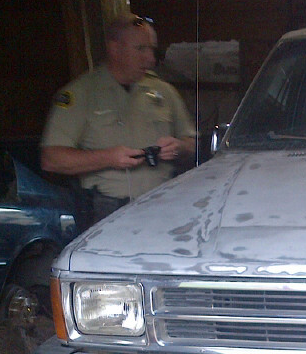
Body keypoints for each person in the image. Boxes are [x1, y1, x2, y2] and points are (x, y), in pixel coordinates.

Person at [40, 14, 198, 225]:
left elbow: (192, 144)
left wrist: (179, 147)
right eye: (141, 49)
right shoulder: (81, 94)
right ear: (114, 48)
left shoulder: (164, 92)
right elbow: (52, 159)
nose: (150, 59)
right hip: (107, 212)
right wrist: (107, 158)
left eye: (151, 49)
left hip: (164, 207)